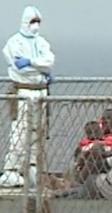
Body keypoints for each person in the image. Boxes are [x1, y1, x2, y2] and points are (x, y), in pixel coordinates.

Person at [1, 6, 55, 187]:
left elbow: (49, 62)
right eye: (33, 21)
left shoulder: (42, 43)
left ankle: (33, 167)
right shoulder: (13, 43)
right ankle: (11, 170)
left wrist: (32, 62)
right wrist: (40, 68)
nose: (36, 25)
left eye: (38, 22)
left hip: (41, 92)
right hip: (24, 92)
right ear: (25, 22)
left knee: (38, 132)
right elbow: (18, 67)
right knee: (20, 132)